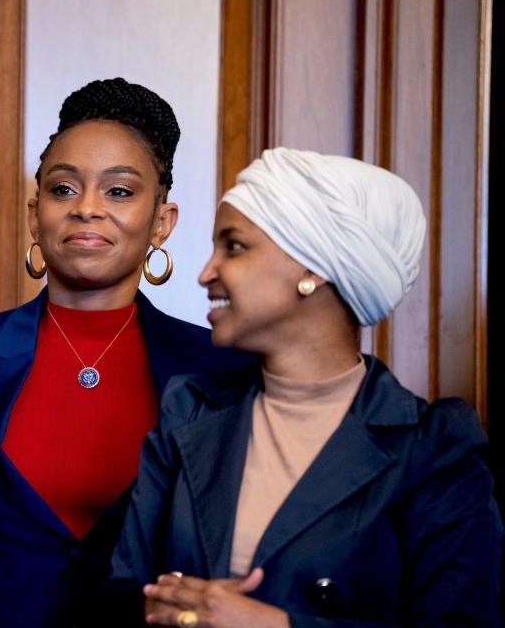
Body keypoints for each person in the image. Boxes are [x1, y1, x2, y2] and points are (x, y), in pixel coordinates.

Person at [0, 77, 253, 626]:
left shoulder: (219, 370)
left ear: (161, 223)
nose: (86, 209)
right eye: (64, 188)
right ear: (34, 214)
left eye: (119, 191)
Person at [111, 147, 502, 627]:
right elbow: (124, 595)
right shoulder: (188, 412)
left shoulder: (434, 448)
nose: (205, 272)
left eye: (233, 246)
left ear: (312, 269)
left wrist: (272, 625)